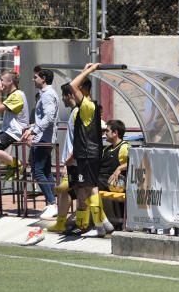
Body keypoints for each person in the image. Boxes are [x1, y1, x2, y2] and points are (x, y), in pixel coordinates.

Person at [66, 63, 112, 238]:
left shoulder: (87, 106)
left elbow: (72, 84)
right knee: (87, 188)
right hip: (88, 153)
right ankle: (103, 223)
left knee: (90, 188)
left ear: (83, 90)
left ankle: (99, 226)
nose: (72, 93)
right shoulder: (88, 106)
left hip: (87, 154)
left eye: (76, 91)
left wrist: (89, 70)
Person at [21, 67, 59, 219]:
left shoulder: (48, 95)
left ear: (43, 79)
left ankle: (51, 203)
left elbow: (49, 117)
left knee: (38, 171)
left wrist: (34, 131)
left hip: (44, 138)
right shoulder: (46, 94)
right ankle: (52, 202)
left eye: (35, 77)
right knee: (46, 171)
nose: (33, 79)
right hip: (44, 137)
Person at [46, 83, 78, 234]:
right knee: (66, 192)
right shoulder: (73, 112)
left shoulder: (78, 112)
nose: (62, 99)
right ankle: (61, 221)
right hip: (71, 160)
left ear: (70, 95)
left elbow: (79, 139)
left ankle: (85, 222)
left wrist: (69, 160)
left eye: (64, 96)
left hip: (75, 161)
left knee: (80, 191)